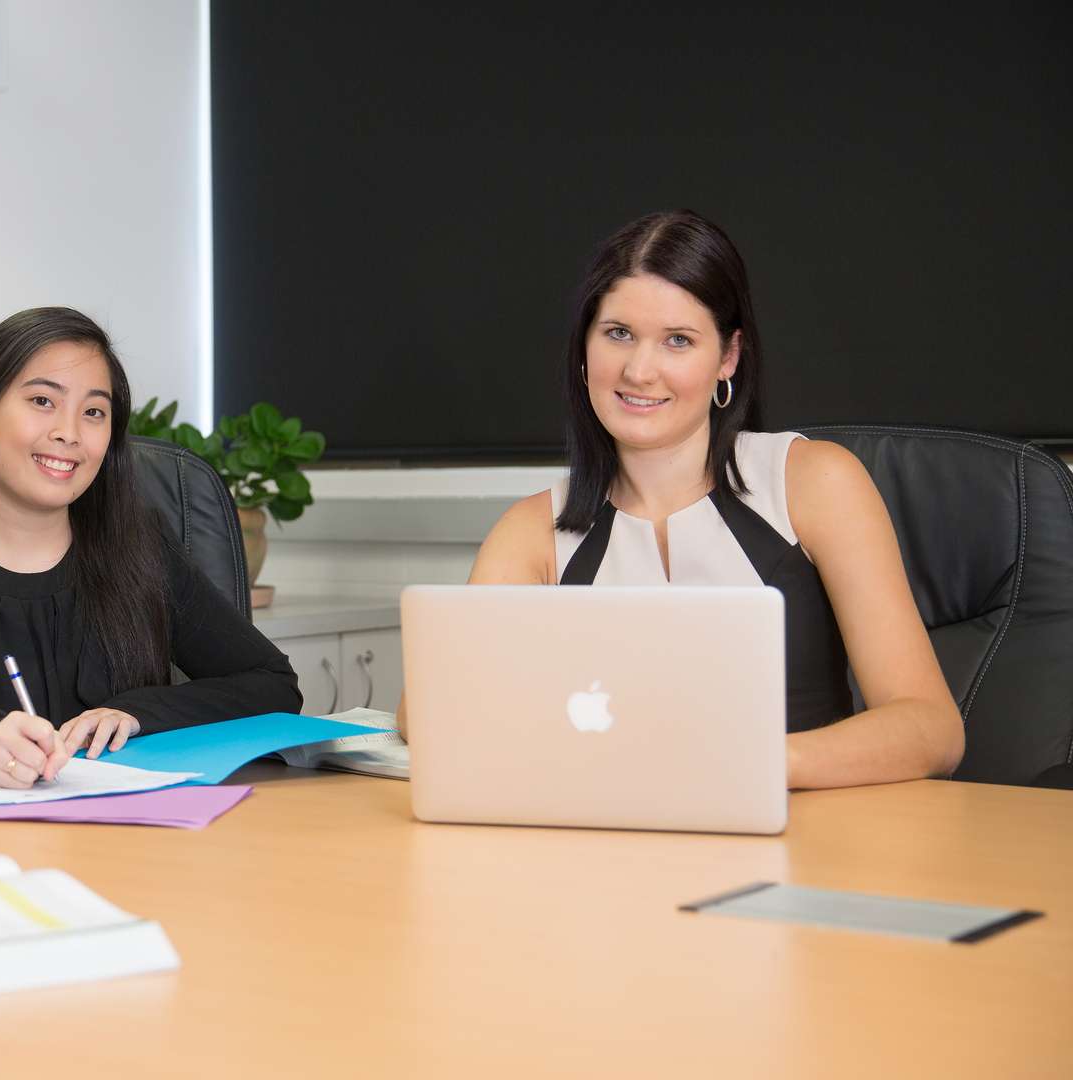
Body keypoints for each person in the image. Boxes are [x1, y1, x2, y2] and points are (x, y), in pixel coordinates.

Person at [400, 210, 962, 790]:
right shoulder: (532, 531)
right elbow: (425, 711)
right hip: (605, 845)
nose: (640, 370)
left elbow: (931, 727)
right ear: (584, 350)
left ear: (728, 358)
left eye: (678, 340)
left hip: (807, 838)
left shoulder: (814, 481)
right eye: (618, 333)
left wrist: (751, 766)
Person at [0, 307, 301, 788]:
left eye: (93, 412)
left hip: (118, 839)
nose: (69, 433)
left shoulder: (140, 551)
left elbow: (270, 683)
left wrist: (137, 712)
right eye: (43, 401)